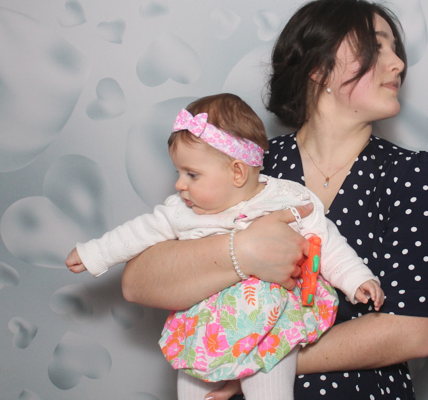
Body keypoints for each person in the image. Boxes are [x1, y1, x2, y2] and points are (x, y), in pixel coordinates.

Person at [122, 0, 428, 399]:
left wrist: (251, 362)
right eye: (375, 46)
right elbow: (138, 282)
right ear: (318, 66)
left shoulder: (414, 175)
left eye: (395, 48)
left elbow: (415, 331)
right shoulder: (249, 164)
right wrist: (242, 250)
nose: (398, 63)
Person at [66, 93, 384, 400]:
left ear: (237, 172)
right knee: (194, 385)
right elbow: (137, 233)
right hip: (206, 323)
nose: (179, 184)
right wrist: (95, 253)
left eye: (192, 174)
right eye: (179, 172)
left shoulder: (287, 198)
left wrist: (355, 278)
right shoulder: (181, 210)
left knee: (270, 386)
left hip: (274, 321)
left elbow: (325, 241)